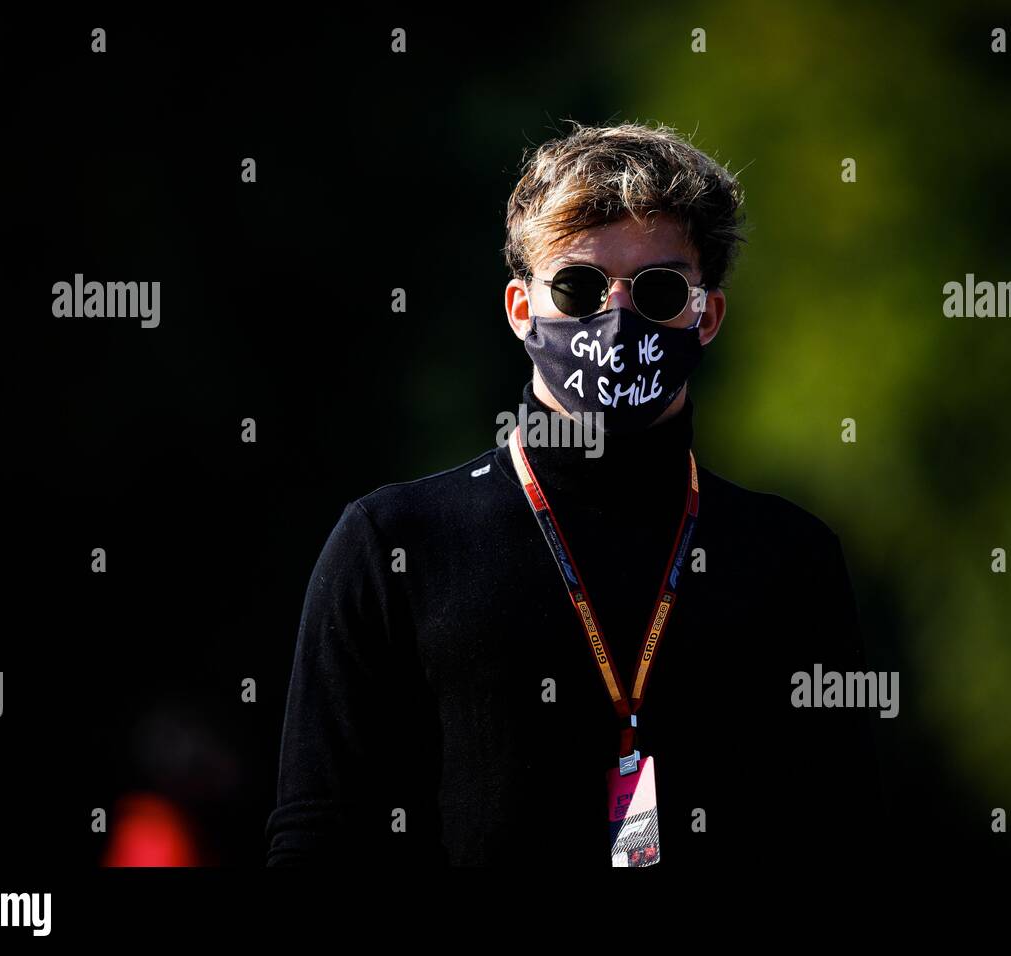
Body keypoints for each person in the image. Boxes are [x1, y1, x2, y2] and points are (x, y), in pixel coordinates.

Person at [265, 120, 883, 867]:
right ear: (520, 308)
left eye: (658, 289)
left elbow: (841, 838)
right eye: (579, 285)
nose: (616, 314)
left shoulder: (791, 559)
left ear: (707, 315)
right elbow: (321, 840)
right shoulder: (391, 545)